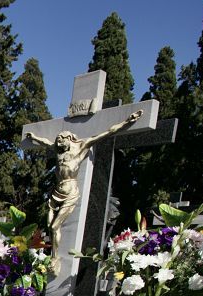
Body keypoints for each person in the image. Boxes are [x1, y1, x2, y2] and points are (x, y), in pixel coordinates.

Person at [22, 110, 142, 274]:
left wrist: (128, 121)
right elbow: (45, 142)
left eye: (62, 140)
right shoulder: (59, 152)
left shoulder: (80, 148)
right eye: (58, 141)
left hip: (71, 190)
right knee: (50, 226)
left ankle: (55, 258)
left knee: (56, 225)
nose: (59, 143)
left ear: (70, 139)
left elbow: (107, 132)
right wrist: (34, 138)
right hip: (57, 191)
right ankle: (54, 257)